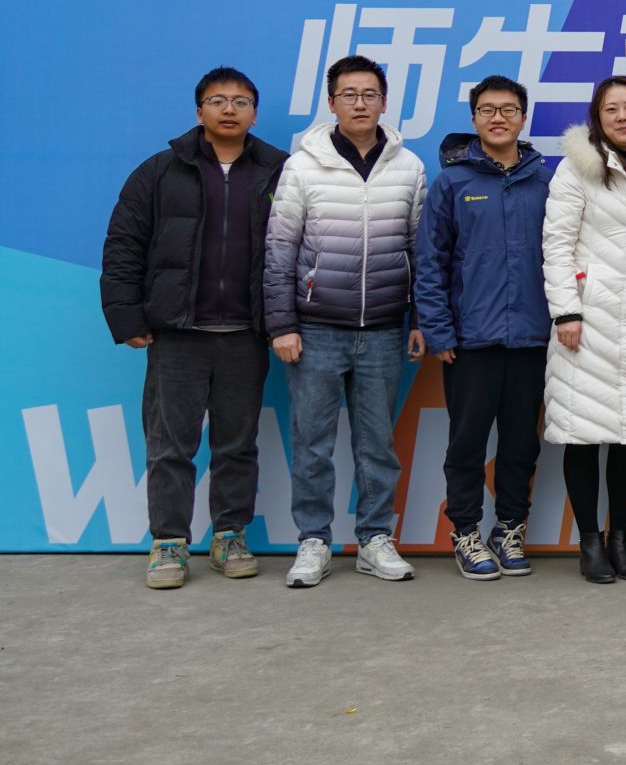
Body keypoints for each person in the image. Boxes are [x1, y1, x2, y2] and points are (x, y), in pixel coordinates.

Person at [102, 68, 288, 590]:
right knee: (170, 446)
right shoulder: (160, 171)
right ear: (199, 110)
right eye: (218, 100)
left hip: (245, 335)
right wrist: (127, 317)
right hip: (177, 335)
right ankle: (169, 542)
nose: (229, 109)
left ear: (255, 113)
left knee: (237, 444)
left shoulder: (279, 171)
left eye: (241, 101)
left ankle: (230, 535)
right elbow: (124, 245)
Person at [264, 55, 427, 589]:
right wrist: (282, 325)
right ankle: (313, 540)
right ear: (332, 102)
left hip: (382, 328)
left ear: (384, 102)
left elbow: (418, 251)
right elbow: (279, 252)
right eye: (349, 94)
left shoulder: (409, 167)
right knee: (312, 443)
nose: (360, 103)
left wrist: (419, 320)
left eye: (370, 94)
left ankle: (375, 538)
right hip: (315, 329)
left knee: (377, 444)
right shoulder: (303, 166)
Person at [415, 75, 553, 582]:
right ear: (474, 119)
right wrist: (439, 331)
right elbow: (430, 262)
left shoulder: (546, 182)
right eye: (488, 110)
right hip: (470, 340)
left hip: (533, 338)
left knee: (521, 443)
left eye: (508, 109)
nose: (499, 118)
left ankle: (509, 528)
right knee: (467, 442)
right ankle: (466, 531)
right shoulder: (452, 183)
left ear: (523, 118)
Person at [543, 76, 626, 584]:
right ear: (597, 119)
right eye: (611, 109)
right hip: (587, 322)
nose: (623, 117)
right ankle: (590, 542)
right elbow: (556, 244)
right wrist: (566, 312)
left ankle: (621, 539)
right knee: (581, 435)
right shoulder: (577, 169)